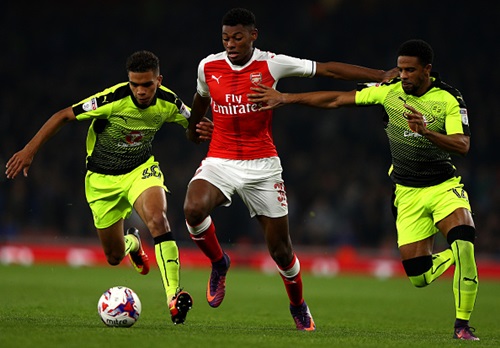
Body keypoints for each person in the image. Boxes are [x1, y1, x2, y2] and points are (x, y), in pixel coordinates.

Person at [248, 39, 480, 340]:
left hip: (443, 187)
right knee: (420, 277)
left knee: (464, 240)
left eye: (411, 70)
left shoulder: (449, 98)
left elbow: (463, 145)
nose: (404, 75)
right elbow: (337, 100)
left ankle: (462, 326)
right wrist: (285, 98)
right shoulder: (389, 92)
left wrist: (427, 132)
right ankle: (454, 256)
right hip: (407, 193)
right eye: (401, 69)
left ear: (427, 70)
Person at [183, 7, 397, 331]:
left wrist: (379, 74)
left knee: (281, 251)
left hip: (262, 165)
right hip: (220, 160)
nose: (230, 43)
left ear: (253, 35)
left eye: (238, 37)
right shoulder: (208, 66)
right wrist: (192, 128)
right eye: (226, 37)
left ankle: (298, 305)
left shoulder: (271, 63)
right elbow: (200, 99)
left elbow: (326, 69)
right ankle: (218, 262)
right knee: (193, 208)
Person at [5, 50, 213, 325]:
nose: (140, 91)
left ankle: (174, 297)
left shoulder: (169, 102)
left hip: (140, 170)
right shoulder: (112, 99)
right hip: (101, 181)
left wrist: (203, 129)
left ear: (158, 81)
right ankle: (132, 243)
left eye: (147, 85)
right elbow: (63, 115)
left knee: (158, 219)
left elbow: (193, 123)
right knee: (114, 257)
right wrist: (29, 150)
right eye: (135, 84)